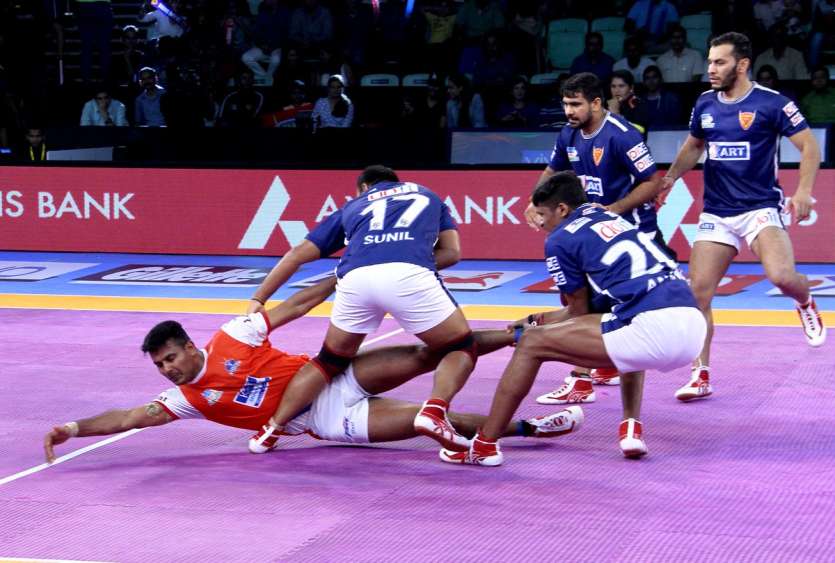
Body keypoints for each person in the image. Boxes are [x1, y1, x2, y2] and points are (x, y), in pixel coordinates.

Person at [44, 278, 585, 463]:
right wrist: (73, 428)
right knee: (427, 417)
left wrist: (339, 277)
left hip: (332, 377)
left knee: (426, 354)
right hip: (325, 423)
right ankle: (529, 428)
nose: (166, 372)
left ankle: (525, 334)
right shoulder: (191, 400)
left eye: (168, 359)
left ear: (187, 346)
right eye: (159, 366)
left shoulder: (233, 334)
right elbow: (129, 418)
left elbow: (297, 306)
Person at [442, 172, 705, 466]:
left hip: (655, 329)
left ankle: (484, 446)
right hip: (692, 325)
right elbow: (596, 311)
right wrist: (538, 319)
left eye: (542, 214)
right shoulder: (609, 217)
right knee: (620, 326)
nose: (539, 222)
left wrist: (533, 325)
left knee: (531, 344)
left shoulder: (560, 239)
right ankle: (631, 427)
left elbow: (579, 313)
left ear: (562, 210)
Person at [248, 165, 480, 453]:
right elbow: (452, 253)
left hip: (355, 278)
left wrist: (259, 297)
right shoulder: (429, 195)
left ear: (363, 188)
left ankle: (271, 430)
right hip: (409, 275)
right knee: (461, 347)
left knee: (329, 361)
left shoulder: (354, 204)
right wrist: (407, 260)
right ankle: (434, 410)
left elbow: (297, 255)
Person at [662, 32, 825, 403]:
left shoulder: (773, 104)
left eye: (719, 62)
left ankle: (805, 302)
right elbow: (694, 146)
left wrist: (802, 192)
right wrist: (670, 177)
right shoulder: (704, 103)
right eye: (709, 62)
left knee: (782, 277)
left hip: (760, 208)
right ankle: (700, 374)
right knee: (697, 294)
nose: (711, 69)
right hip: (717, 213)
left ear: (742, 64)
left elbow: (809, 145)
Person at [524, 72, 668, 407]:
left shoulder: (622, 136)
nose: (569, 111)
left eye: (576, 104)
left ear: (597, 103)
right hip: (595, 234)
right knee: (588, 301)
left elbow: (653, 182)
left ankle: (580, 379)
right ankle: (602, 364)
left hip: (631, 231)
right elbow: (553, 171)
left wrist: (614, 210)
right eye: (565, 104)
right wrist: (534, 200)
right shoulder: (569, 134)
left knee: (588, 304)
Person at [607, 70, 650, 136]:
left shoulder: (640, 105)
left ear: (631, 88)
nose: (616, 90)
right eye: (613, 86)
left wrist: (617, 115)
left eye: (621, 86)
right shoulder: (606, 105)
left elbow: (639, 133)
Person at [642, 65, 683, 129]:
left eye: (654, 77)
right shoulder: (640, 101)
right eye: (647, 78)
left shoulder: (671, 99)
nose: (651, 81)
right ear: (644, 82)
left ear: (660, 79)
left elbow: (676, 123)